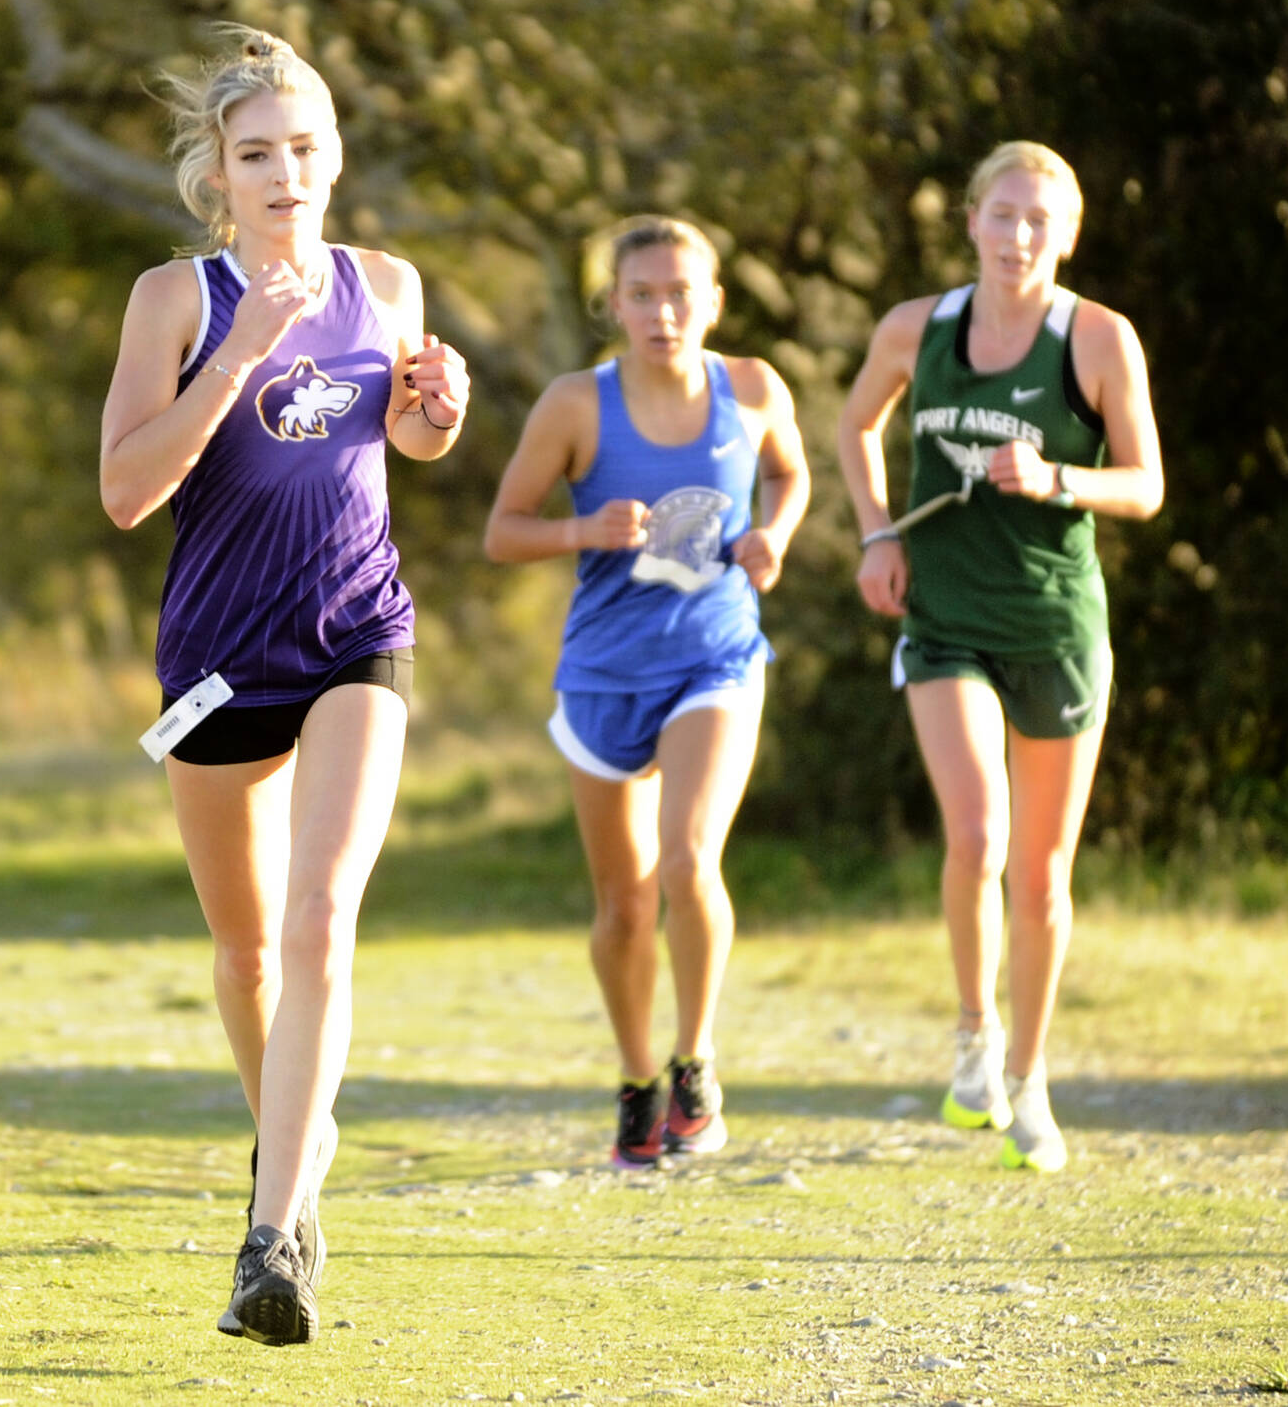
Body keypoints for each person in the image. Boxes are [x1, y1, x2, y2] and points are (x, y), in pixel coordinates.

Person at [98, 25, 469, 1345]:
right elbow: (129, 491)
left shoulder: (388, 281)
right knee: (249, 951)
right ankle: (291, 1174)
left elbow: (408, 441)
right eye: (257, 152)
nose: (286, 171)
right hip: (213, 665)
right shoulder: (174, 300)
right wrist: (242, 350)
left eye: (305, 147)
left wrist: (438, 410)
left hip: (356, 633)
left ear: (334, 155)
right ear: (219, 171)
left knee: (319, 924)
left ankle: (271, 1240)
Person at [837, 142, 1163, 1173]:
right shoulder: (913, 328)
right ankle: (973, 1035)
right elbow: (853, 427)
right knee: (976, 834)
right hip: (942, 620)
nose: (1019, 236)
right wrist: (877, 533)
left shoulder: (1097, 338)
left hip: (1055, 627)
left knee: (1038, 873)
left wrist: (1060, 476)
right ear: (971, 219)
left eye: (1040, 221)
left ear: (1064, 237)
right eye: (1003, 214)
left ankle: (1028, 1078)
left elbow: (1146, 484)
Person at [485, 216, 809, 1168]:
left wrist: (773, 535)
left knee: (687, 859)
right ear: (614, 305)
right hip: (602, 674)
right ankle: (638, 1080)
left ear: (713, 302)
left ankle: (696, 1063)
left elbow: (788, 472)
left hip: (715, 656)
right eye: (642, 294)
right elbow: (503, 532)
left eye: (681, 293)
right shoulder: (575, 406)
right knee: (624, 905)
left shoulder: (750, 388)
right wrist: (583, 534)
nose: (663, 312)